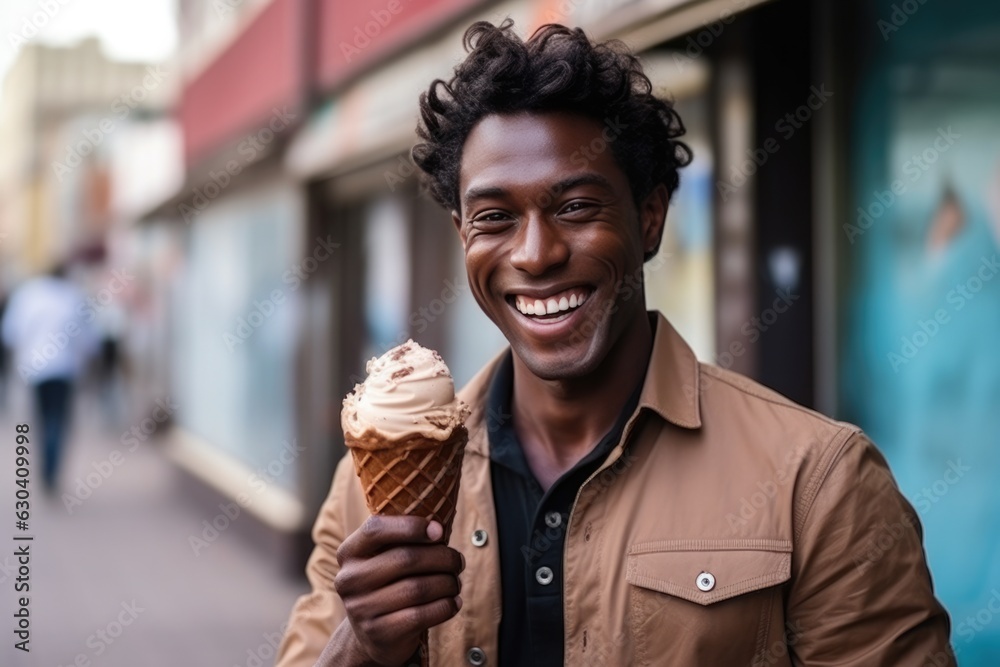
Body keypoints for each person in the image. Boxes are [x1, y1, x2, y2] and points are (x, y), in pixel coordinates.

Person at [277, 20, 955, 666]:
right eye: (495, 217)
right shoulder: (364, 495)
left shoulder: (820, 483)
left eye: (576, 206)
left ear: (650, 217)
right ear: (463, 236)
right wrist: (361, 644)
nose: (535, 253)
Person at [1, 262, 95, 491]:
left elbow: (11, 332)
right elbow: (90, 338)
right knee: (58, 419)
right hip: (64, 369)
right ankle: (51, 467)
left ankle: (46, 463)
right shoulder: (72, 296)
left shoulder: (28, 295)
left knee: (42, 418)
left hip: (36, 368)